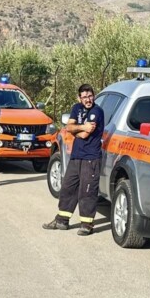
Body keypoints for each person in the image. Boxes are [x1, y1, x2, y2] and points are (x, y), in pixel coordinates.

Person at [42, 84, 105, 235]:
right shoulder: (76, 108)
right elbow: (69, 127)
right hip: (76, 156)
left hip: (91, 158)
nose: (88, 100)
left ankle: (86, 224)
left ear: (94, 96)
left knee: (87, 191)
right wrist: (80, 127)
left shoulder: (97, 111)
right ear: (79, 98)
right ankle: (62, 220)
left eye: (90, 96)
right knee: (67, 188)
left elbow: (83, 134)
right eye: (84, 97)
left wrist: (76, 128)